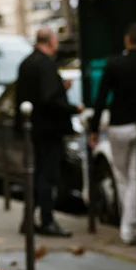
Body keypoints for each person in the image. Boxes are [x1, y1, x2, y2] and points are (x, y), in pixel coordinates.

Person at [90, 23, 136, 245]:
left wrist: (93, 128)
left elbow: (101, 97)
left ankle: (128, 227)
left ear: (127, 40)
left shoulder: (114, 64)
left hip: (119, 126)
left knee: (123, 176)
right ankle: (130, 226)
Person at [16, 27, 83, 238]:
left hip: (34, 129)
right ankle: (47, 221)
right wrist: (73, 108)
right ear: (51, 41)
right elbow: (48, 98)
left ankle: (29, 220)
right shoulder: (45, 63)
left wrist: (60, 87)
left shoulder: (27, 63)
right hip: (49, 129)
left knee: (37, 175)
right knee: (48, 175)